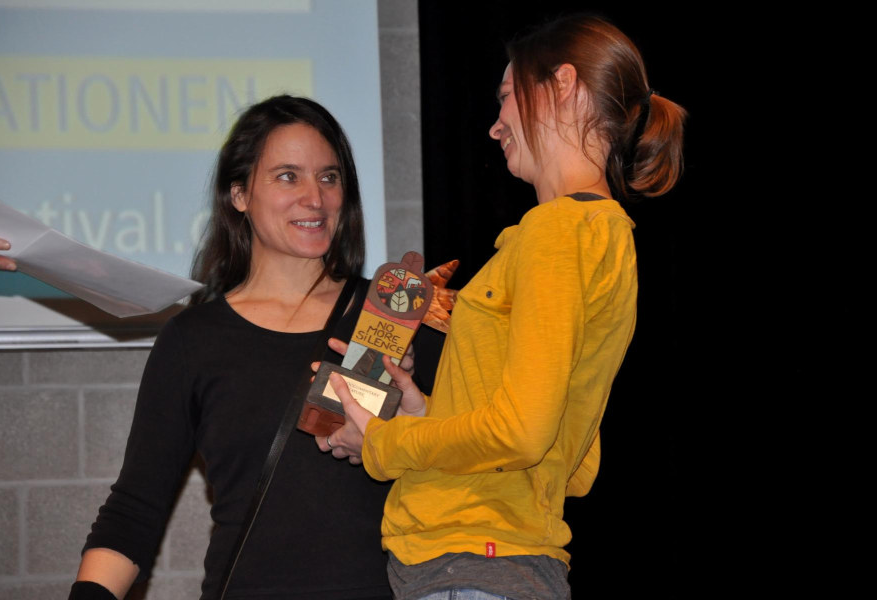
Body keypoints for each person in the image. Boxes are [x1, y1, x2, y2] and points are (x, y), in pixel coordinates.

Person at [319, 15, 687, 600]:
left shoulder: (556, 232)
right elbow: (574, 461)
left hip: (472, 564)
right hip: (496, 560)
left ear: (562, 84)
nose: (495, 126)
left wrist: (385, 444)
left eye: (507, 96)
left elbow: (521, 434)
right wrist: (426, 414)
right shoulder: (604, 236)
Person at [70, 95, 436, 600]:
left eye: (329, 177)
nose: (315, 198)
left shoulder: (401, 318)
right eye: (288, 176)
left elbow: (475, 458)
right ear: (239, 194)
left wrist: (416, 419)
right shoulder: (193, 339)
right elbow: (136, 507)